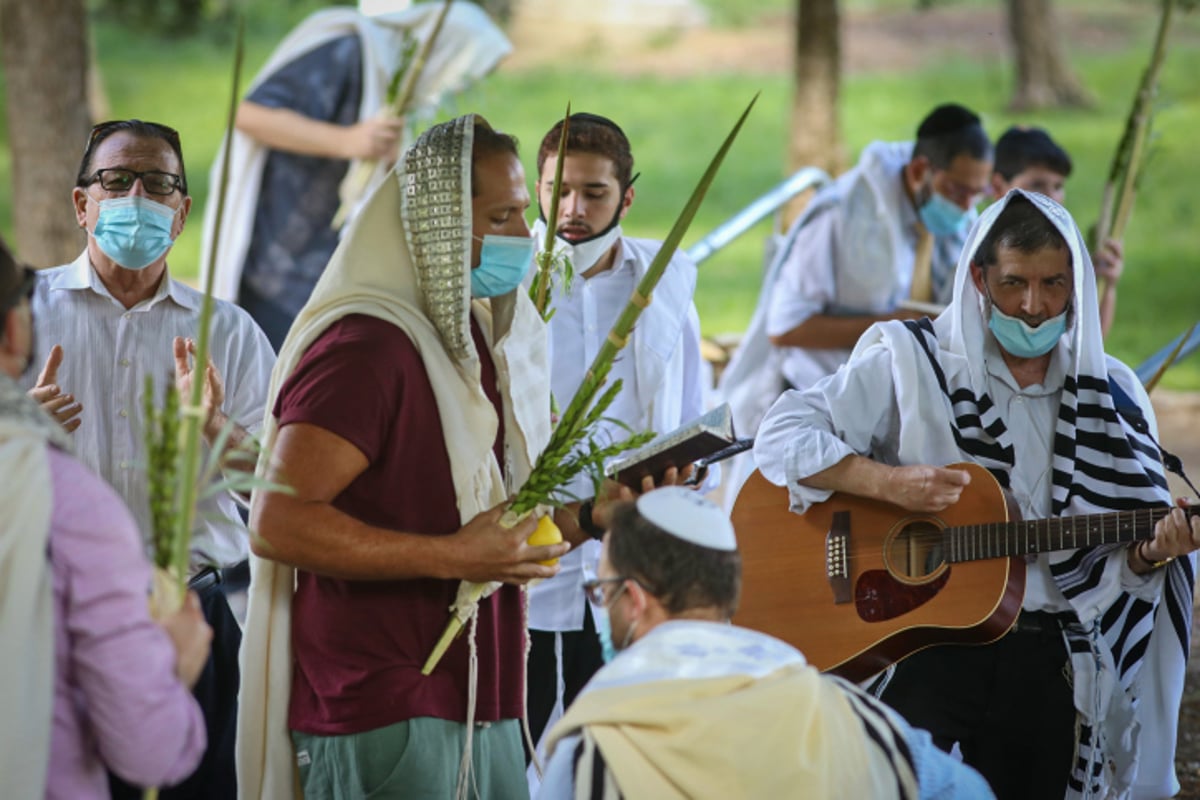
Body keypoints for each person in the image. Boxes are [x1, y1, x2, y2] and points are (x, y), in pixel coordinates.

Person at [753, 191, 1199, 799]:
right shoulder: (913, 362)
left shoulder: (1111, 394)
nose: (1033, 306)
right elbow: (781, 434)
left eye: (1053, 285)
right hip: (917, 651)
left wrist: (1151, 554)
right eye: (1014, 282)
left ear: (1079, 288)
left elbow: (1119, 562)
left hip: (1049, 660)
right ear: (978, 278)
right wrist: (886, 483)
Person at [241, 114, 572, 800]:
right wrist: (452, 557)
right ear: (443, 223)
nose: (523, 235)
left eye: (523, 214)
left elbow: (484, 523)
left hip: (483, 696)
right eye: (504, 215)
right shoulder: (366, 349)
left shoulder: (466, 339)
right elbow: (278, 522)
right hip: (387, 704)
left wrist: (599, 513)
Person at [24, 119, 275, 799]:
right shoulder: (24, 317)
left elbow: (280, 488)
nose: (138, 194)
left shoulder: (228, 332)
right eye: (115, 180)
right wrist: (21, 434)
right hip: (56, 620)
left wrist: (217, 428)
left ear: (182, 211)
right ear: (82, 205)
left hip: (196, 617)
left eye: (159, 183)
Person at [535, 487, 995, 799]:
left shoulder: (592, 752)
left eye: (602, 591)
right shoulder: (842, 713)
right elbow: (967, 790)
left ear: (632, 599)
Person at [523, 112, 712, 778]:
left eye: (593, 193)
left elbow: (687, 406)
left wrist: (686, 477)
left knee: (621, 757)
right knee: (526, 751)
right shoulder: (512, 285)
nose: (571, 210)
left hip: (628, 566)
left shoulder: (664, 285)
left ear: (626, 197)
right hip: (531, 567)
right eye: (557, 190)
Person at [0, 236, 211, 799]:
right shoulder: (65, 502)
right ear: (16, 331)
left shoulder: (228, 329)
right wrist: (178, 667)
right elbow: (149, 749)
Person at [717, 102, 992, 510]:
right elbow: (785, 326)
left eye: (977, 193)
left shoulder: (952, 217)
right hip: (810, 400)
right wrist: (897, 325)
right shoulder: (842, 215)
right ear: (920, 172)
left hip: (885, 402)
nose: (967, 207)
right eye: (957, 191)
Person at [200, 0, 511, 350]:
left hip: (326, 263)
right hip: (278, 257)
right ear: (447, 51)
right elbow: (250, 114)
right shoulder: (349, 50)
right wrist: (349, 140)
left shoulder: (396, 85)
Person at [991, 125, 1123, 337]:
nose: (1052, 199)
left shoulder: (1065, 253)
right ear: (998, 186)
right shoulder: (980, 254)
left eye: (1058, 186)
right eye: (1037, 185)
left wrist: (1106, 284)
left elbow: (1089, 341)